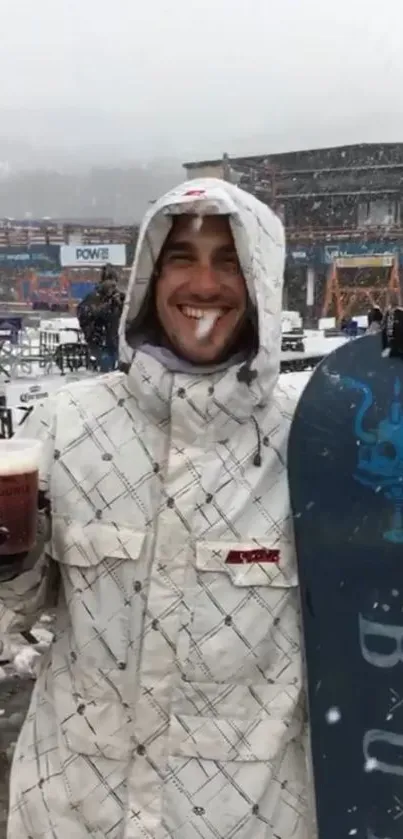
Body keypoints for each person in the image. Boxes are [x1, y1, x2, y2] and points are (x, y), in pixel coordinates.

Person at [0, 179, 310, 839]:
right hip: (72, 814)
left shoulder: (313, 435)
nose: (204, 282)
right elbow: (13, 614)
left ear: (261, 278)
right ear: (148, 276)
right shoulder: (66, 422)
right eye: (182, 257)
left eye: (229, 260)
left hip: (250, 819)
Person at [77, 263, 124, 371]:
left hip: (115, 342)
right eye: (110, 282)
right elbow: (87, 314)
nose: (112, 287)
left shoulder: (118, 297)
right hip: (99, 342)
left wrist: (122, 303)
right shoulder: (93, 297)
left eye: (114, 284)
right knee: (104, 372)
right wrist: (108, 305)